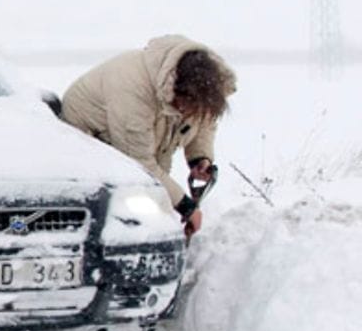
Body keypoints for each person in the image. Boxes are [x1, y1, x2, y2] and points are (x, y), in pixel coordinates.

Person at [59, 35, 236, 239]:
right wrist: (185, 206)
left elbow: (205, 119)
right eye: (188, 109)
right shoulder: (133, 90)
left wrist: (199, 157)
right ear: (176, 92)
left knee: (151, 210)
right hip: (88, 152)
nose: (190, 116)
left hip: (136, 152)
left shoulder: (202, 82)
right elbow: (140, 167)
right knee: (116, 222)